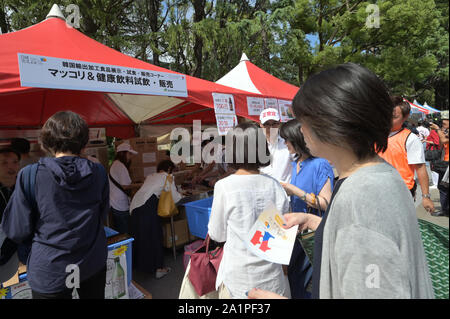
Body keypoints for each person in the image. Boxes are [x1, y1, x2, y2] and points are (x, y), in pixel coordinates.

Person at [248, 63, 434, 299]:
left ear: (333, 123)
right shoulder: (376, 176)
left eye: (303, 121)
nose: (300, 130)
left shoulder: (362, 199)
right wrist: (315, 221)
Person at [1, 111, 110, 299]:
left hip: (50, 266)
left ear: (46, 142)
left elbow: (17, 229)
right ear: (84, 143)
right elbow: (102, 213)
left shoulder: (30, 174)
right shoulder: (98, 171)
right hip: (91, 260)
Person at [208, 122, 291, 299]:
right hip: (272, 278)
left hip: (239, 278)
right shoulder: (275, 186)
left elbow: (217, 235)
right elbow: (284, 234)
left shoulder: (224, 186)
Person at [279, 119, 334, 299]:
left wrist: (294, 190)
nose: (285, 143)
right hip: (296, 234)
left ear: (298, 139)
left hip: (311, 233)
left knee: (307, 286)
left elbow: (325, 202)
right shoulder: (295, 163)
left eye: (287, 139)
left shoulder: (320, 164)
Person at [379, 96, 435, 214]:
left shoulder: (410, 139)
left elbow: (420, 168)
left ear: (405, 117)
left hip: (400, 192)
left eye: (394, 117)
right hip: (376, 189)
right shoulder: (376, 136)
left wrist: (426, 196)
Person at [129, 160, 182, 279]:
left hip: (135, 206)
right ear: (169, 169)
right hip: (148, 207)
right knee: (155, 236)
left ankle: (142, 267)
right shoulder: (167, 177)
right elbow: (175, 197)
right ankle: (159, 268)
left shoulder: (151, 176)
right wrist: (182, 195)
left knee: (141, 237)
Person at [0, 148, 21, 284]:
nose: (11, 166)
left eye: (15, 162)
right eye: (4, 163)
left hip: (13, 256)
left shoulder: (23, 187)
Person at [109, 142, 137, 234]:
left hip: (115, 203)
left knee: (121, 232)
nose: (131, 157)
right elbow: (125, 186)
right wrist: (141, 184)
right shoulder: (120, 166)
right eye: (129, 154)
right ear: (122, 153)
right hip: (120, 206)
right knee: (125, 234)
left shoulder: (115, 164)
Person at [258, 108, 292, 183]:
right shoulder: (255, 144)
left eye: (274, 124)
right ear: (260, 124)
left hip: (286, 192)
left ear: (279, 123)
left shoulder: (289, 142)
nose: (271, 127)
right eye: (267, 124)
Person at [430, 110, 449, 217]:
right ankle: (445, 209)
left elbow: (443, 140)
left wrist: (438, 129)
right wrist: (441, 130)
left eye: (444, 120)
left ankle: (445, 210)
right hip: (445, 162)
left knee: (444, 187)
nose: (443, 122)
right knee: (442, 187)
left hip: (447, 162)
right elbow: (441, 142)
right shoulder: (445, 130)